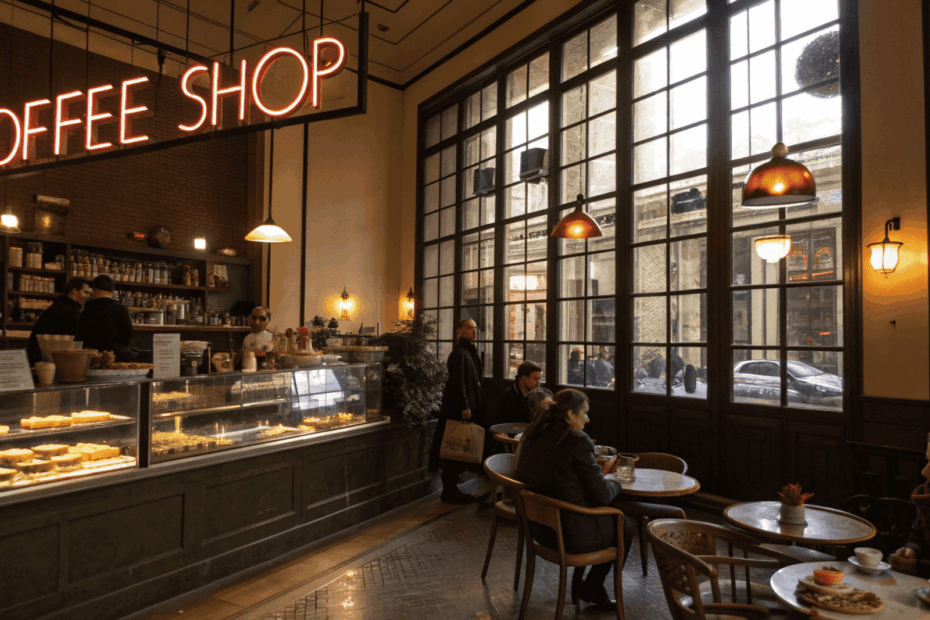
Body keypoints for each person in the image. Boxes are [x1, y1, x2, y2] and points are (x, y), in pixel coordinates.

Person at [514, 388, 634, 610]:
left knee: (613, 518)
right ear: (570, 414)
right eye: (584, 413)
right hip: (569, 534)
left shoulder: (534, 432)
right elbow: (604, 496)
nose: (587, 419)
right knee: (624, 525)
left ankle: (591, 587)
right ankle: (593, 587)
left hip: (539, 529)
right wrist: (616, 481)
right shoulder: (576, 440)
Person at [429, 318, 485, 504]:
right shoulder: (460, 353)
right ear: (459, 331)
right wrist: (464, 405)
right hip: (458, 411)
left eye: (475, 328)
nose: (474, 331)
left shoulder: (467, 352)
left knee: (459, 450)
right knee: (454, 449)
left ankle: (452, 488)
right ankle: (450, 490)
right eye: (469, 328)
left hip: (464, 409)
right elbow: (457, 382)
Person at [889, 433, 930, 577]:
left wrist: (919, 567)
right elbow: (918, 532)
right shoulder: (927, 497)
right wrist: (911, 550)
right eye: (927, 460)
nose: (924, 472)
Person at [26, 278, 90, 365]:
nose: (88, 296)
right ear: (74, 291)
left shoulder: (56, 307)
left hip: (41, 360)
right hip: (58, 362)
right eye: (86, 292)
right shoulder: (71, 311)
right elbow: (76, 338)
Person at [78, 274, 137, 362]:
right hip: (115, 356)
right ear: (112, 291)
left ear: (94, 289)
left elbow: (80, 334)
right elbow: (128, 333)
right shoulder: (120, 309)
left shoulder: (86, 309)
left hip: (91, 357)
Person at [492, 360, 541, 425]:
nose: (538, 383)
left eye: (539, 379)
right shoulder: (507, 397)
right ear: (524, 378)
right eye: (535, 379)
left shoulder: (538, 394)